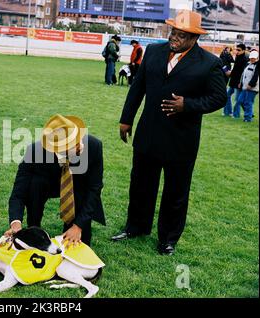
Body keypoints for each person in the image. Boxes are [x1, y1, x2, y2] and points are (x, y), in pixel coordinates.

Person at [111, 10, 227, 255]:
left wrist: (189, 105)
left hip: (181, 141)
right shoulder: (153, 51)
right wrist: (126, 119)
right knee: (141, 185)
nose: (175, 37)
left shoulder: (210, 63)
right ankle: (136, 227)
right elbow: (137, 88)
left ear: (194, 38)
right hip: (148, 135)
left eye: (181, 35)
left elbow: (219, 98)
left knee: (176, 192)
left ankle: (168, 239)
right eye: (173, 32)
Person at [5, 114, 106, 246]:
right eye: (72, 144)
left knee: (79, 242)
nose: (79, 146)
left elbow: (94, 188)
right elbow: (19, 192)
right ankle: (34, 225)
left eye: (78, 139)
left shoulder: (94, 146)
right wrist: (15, 223)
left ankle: (74, 224)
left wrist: (78, 226)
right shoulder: (34, 151)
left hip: (78, 188)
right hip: (48, 184)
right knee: (34, 184)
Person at [223, 43, 248, 117]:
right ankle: (228, 112)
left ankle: (236, 115)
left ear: (244, 50)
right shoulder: (237, 57)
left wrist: (240, 82)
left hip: (239, 82)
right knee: (227, 96)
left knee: (238, 99)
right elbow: (235, 70)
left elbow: (243, 73)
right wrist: (230, 73)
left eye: (239, 50)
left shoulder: (245, 59)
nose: (237, 51)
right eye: (236, 49)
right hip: (233, 81)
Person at [233, 50, 259, 122]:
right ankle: (250, 114)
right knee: (240, 100)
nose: (252, 59)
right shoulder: (248, 64)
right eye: (251, 58)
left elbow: (255, 77)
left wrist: (251, 85)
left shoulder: (257, 65)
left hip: (253, 88)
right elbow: (243, 74)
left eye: (253, 58)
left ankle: (247, 118)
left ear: (257, 58)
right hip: (245, 86)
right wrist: (240, 82)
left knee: (248, 102)